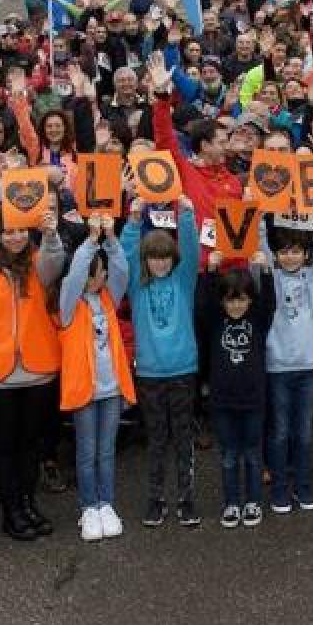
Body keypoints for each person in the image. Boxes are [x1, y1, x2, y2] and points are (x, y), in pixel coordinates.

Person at [0, 209, 64, 541]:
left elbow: (55, 258)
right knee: (2, 445)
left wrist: (49, 232)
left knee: (31, 445)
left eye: (21, 230)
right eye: (7, 231)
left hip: (38, 372)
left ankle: (27, 502)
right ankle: (11, 510)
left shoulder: (39, 263)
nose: (16, 236)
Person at [121, 197, 201, 528]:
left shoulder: (184, 281)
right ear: (146, 260)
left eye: (165, 257)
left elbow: (193, 250)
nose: (160, 264)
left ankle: (186, 498)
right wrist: (134, 217)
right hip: (151, 373)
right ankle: (155, 499)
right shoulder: (137, 286)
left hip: (183, 370)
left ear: (173, 259)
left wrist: (186, 213)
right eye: (153, 258)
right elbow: (127, 252)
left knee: (183, 438)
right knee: (156, 439)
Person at [58, 214, 133, 542]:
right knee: (86, 452)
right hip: (84, 389)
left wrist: (111, 239)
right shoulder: (69, 304)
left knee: (107, 451)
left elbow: (122, 270)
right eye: (95, 273)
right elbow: (75, 275)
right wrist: (90, 241)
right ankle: (88, 507)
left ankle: (107, 504)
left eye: (100, 273)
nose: (99, 277)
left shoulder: (108, 299)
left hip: (111, 387)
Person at [262, 206, 313, 513]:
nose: (289, 257)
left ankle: (304, 486)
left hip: (310, 366)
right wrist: (257, 214)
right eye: (284, 252)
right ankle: (280, 488)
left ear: (305, 254)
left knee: (304, 431)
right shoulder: (271, 278)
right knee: (279, 431)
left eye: (296, 251)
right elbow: (261, 247)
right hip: (278, 365)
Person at [201, 250, 275, 528]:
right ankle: (232, 503)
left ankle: (253, 501)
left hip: (253, 400)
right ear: (222, 301)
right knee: (230, 455)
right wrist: (210, 271)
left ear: (250, 300)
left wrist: (265, 273)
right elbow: (205, 304)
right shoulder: (215, 322)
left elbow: (269, 304)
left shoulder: (257, 321)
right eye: (230, 300)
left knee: (253, 455)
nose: (235, 306)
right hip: (222, 402)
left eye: (242, 299)